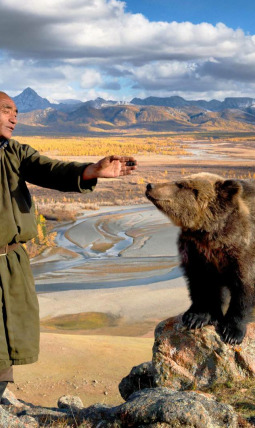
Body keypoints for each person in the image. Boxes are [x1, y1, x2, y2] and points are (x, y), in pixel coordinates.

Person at [0, 91, 137, 399]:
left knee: (4, 350)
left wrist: (92, 171)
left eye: (17, 112)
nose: (14, 117)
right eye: (7, 110)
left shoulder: (14, 152)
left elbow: (51, 169)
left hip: (10, 267)